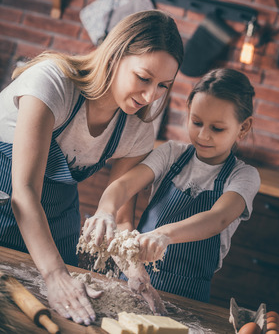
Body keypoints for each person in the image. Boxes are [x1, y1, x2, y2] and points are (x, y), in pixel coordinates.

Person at [0, 10, 184, 324]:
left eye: (163, 85)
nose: (151, 95)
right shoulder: (52, 83)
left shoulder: (137, 130)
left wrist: (134, 272)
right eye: (143, 78)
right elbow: (25, 192)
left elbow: (122, 221)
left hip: (57, 222)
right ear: (114, 56)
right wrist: (56, 276)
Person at [83, 68, 261, 303]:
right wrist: (106, 211)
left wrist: (163, 235)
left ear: (243, 127)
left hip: (191, 297)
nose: (203, 135)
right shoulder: (171, 154)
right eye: (196, 122)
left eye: (217, 128)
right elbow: (123, 186)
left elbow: (218, 218)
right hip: (136, 279)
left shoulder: (244, 176)